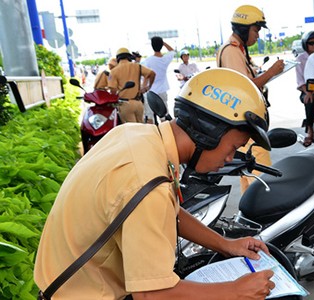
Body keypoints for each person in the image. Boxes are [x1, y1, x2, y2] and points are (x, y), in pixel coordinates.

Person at [34, 68, 276, 300]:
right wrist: (235, 292)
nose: (228, 159)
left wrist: (226, 244)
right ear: (208, 132)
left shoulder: (134, 135)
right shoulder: (147, 183)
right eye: (232, 148)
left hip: (62, 287)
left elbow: (169, 213)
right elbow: (151, 295)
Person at [217, 4, 285, 193]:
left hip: (244, 122)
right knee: (261, 177)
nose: (257, 35)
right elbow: (244, 87)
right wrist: (271, 72)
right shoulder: (231, 51)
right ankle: (261, 211)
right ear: (244, 29)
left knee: (249, 175)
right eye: (256, 30)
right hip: (244, 124)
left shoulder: (239, 50)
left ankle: (250, 213)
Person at [108, 47, 155, 123]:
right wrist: (147, 87)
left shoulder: (113, 71)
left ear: (118, 58)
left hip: (125, 104)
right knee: (140, 128)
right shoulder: (137, 66)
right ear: (129, 57)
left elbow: (113, 90)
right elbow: (152, 74)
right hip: (138, 103)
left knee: (132, 131)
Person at [141, 36, 176, 123]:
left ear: (152, 46)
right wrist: (163, 43)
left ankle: (152, 135)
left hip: (150, 92)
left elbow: (145, 76)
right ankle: (166, 134)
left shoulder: (147, 61)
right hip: (162, 91)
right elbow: (172, 51)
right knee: (164, 116)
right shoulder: (165, 59)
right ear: (161, 45)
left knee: (149, 117)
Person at [295, 31, 314, 147]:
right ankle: (310, 129)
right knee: (309, 100)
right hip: (306, 90)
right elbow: (300, 81)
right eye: (311, 43)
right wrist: (308, 92)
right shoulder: (301, 59)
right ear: (306, 44)